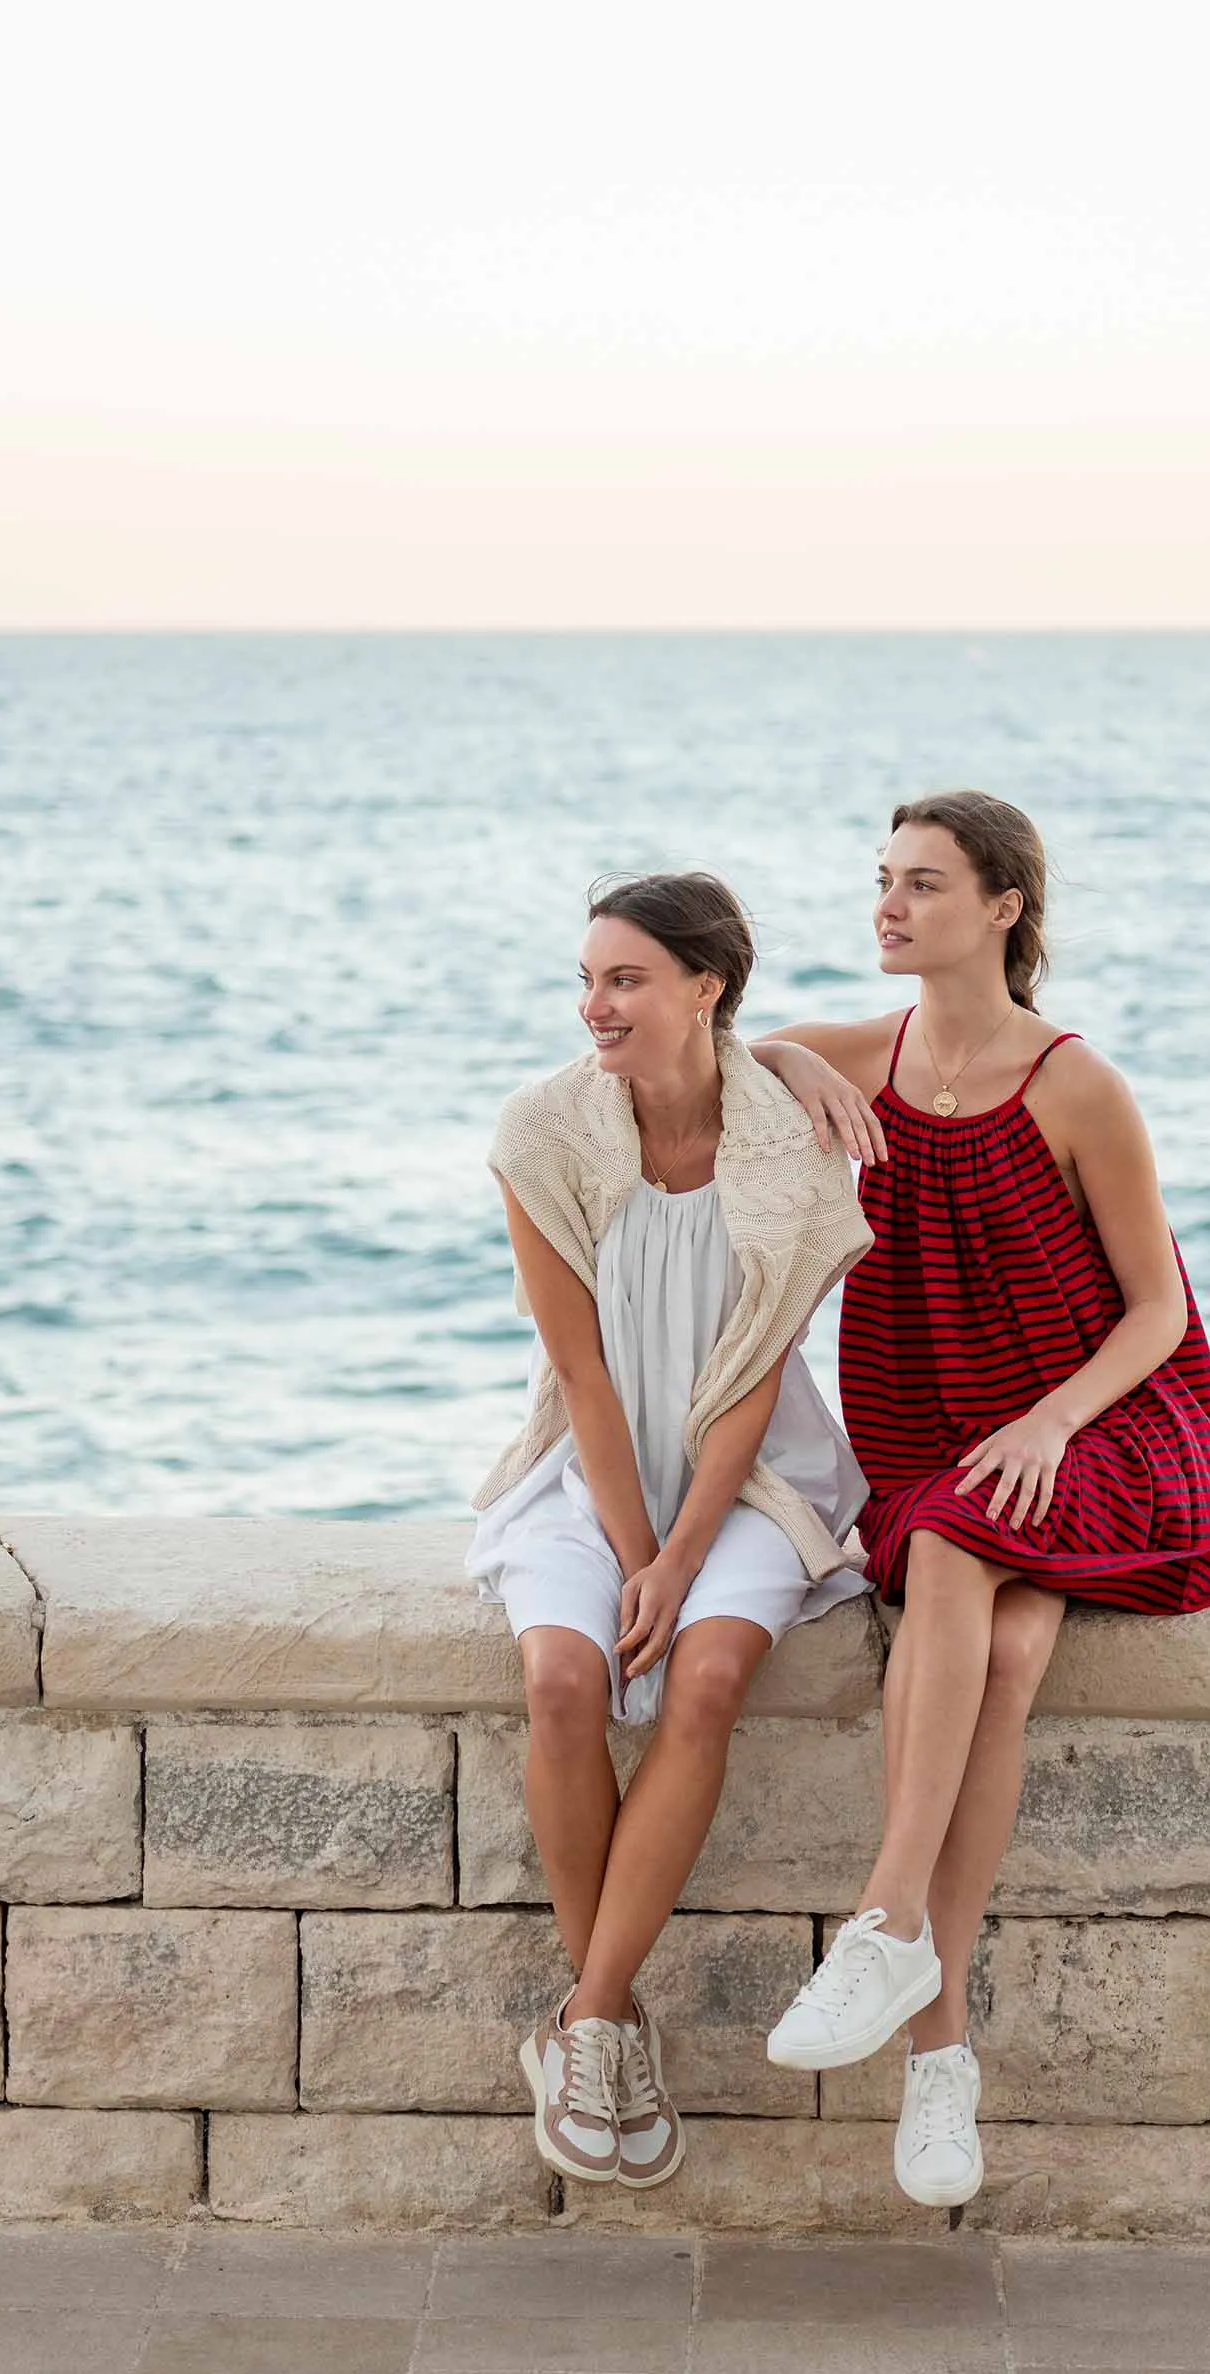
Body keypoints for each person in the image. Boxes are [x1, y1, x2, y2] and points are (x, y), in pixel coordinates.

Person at [751, 791, 1210, 2208]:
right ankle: (938, 2054)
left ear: (1002, 907)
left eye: (923, 884)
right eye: (880, 880)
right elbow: (712, 1053)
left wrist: (1057, 1419)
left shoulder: (1075, 1082)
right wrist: (772, 1053)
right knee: (997, 1646)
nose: (887, 905)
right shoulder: (856, 1053)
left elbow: (1157, 1311)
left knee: (952, 1550)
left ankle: (887, 1933)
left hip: (1102, 1420)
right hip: (929, 1425)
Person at [465, 871, 872, 2192]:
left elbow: (755, 1377)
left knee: (702, 1674)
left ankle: (584, 2022)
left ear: (707, 989)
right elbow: (581, 1373)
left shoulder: (784, 1137)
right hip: (590, 1476)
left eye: (626, 979)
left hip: (746, 1488)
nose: (595, 1005)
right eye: (587, 979)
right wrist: (635, 1554)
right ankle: (611, 2018)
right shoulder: (543, 1130)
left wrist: (685, 1559)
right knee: (562, 1674)